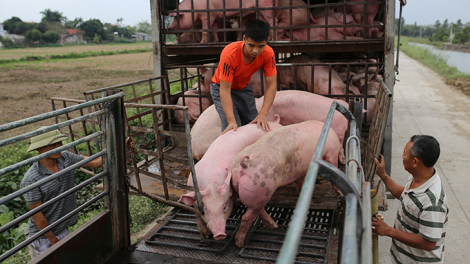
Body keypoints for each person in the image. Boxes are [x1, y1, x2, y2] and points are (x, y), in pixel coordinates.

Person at [20, 128, 134, 259]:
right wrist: (52, 240)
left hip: (62, 227)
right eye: (53, 145)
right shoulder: (31, 179)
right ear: (40, 149)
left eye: (60, 143)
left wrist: (121, 148)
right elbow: (37, 215)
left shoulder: (66, 158)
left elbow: (96, 162)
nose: (59, 147)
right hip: (43, 237)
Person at [372, 135, 448, 263]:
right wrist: (383, 175)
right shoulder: (419, 178)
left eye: (404, 153)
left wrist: (389, 230)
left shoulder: (433, 202)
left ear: (415, 162)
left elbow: (428, 243)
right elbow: (406, 196)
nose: (402, 156)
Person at [210, 19, 277, 134]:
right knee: (232, 128)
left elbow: (271, 85)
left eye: (261, 46)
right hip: (221, 87)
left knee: (255, 123)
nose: (255, 51)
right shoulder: (229, 53)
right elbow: (225, 90)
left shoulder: (268, 53)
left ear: (267, 41)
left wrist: (263, 114)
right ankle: (228, 150)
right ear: (244, 39)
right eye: (251, 45)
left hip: (243, 88)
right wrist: (231, 120)